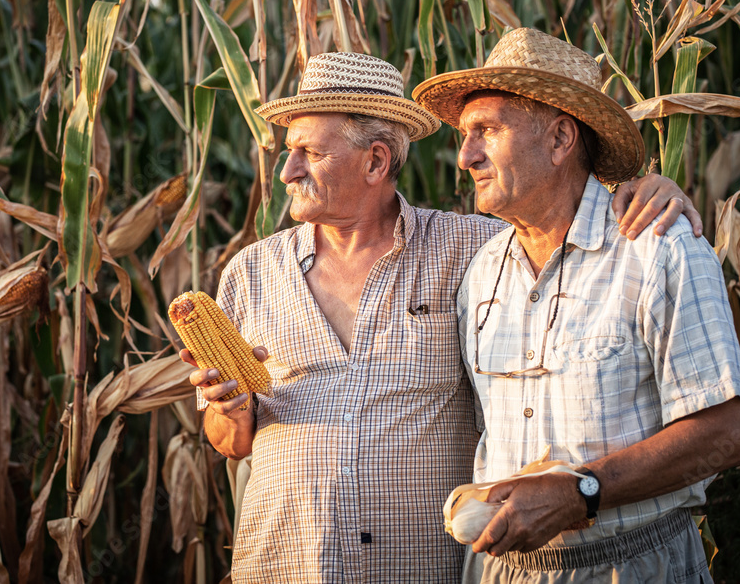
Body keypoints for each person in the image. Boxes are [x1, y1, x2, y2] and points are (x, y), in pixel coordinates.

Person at [183, 51, 698, 583]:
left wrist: (650, 192)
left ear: (376, 161)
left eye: (308, 153)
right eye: (289, 151)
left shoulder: (475, 252)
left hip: (420, 566)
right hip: (286, 563)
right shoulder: (248, 273)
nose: (287, 171)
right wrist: (232, 411)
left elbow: (558, 222)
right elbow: (231, 441)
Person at [412, 27, 740, 583]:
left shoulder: (659, 249)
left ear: (560, 138)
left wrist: (582, 491)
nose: (464, 157)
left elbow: (728, 433)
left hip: (634, 567)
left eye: (485, 132)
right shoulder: (480, 273)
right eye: (464, 136)